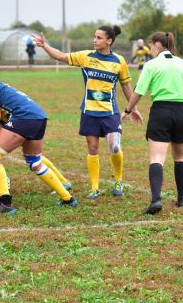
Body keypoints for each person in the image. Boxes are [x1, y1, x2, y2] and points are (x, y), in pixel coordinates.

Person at [0, 60, 78, 214]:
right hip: (38, 116)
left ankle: (5, 204)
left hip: (24, 118)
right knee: (34, 161)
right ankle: (67, 198)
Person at [33, 25, 139, 200]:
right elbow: (61, 56)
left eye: (99, 37)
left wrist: (132, 108)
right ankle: (94, 188)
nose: (95, 40)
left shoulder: (119, 61)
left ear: (109, 41)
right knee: (92, 149)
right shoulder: (86, 57)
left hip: (110, 112)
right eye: (94, 37)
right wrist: (44, 46)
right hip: (89, 112)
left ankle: (118, 180)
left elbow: (126, 86)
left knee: (114, 146)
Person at [122, 32, 183, 215]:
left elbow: (138, 92)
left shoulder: (151, 65)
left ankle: (156, 200)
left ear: (157, 44)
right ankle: (181, 198)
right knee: (180, 157)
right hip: (181, 112)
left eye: (151, 45)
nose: (149, 49)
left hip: (161, 112)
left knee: (157, 158)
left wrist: (127, 110)